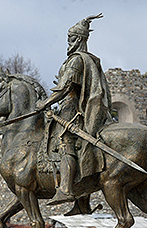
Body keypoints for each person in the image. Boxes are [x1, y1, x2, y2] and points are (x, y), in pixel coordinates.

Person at [36, 14, 112, 206]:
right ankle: (82, 202)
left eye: (70, 39)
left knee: (64, 143)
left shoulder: (76, 60)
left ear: (78, 39)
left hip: (71, 110)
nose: (68, 43)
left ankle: (66, 190)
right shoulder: (87, 59)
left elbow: (66, 87)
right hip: (74, 105)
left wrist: (45, 103)